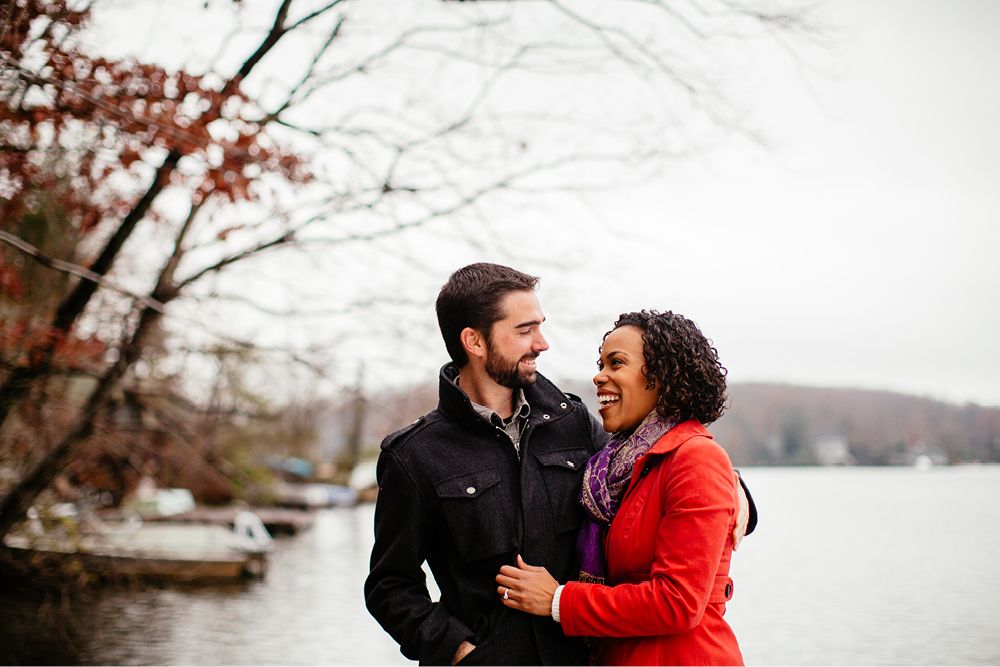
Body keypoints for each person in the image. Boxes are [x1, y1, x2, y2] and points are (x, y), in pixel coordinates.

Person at [366, 265, 754, 666]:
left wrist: (736, 487)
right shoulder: (415, 454)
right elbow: (390, 585)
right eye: (524, 330)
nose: (542, 343)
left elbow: (656, 465)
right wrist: (458, 652)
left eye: (540, 326)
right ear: (474, 341)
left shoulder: (574, 423)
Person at [496, 310, 746, 665]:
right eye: (601, 363)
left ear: (661, 377)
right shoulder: (610, 467)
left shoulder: (695, 459)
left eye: (616, 363)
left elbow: (679, 603)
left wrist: (557, 599)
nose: (599, 376)